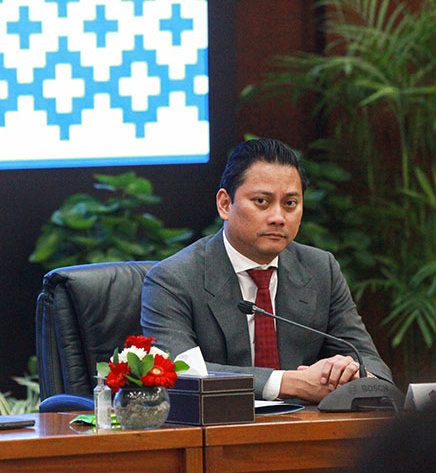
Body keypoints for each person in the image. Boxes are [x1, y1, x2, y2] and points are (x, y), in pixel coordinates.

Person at [141, 138, 392, 401]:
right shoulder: (173, 279)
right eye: (262, 201)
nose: (278, 217)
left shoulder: (321, 270)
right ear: (225, 204)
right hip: (220, 429)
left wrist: (348, 373)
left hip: (307, 432)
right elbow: (177, 374)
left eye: (290, 204)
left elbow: (374, 369)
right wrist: (289, 383)